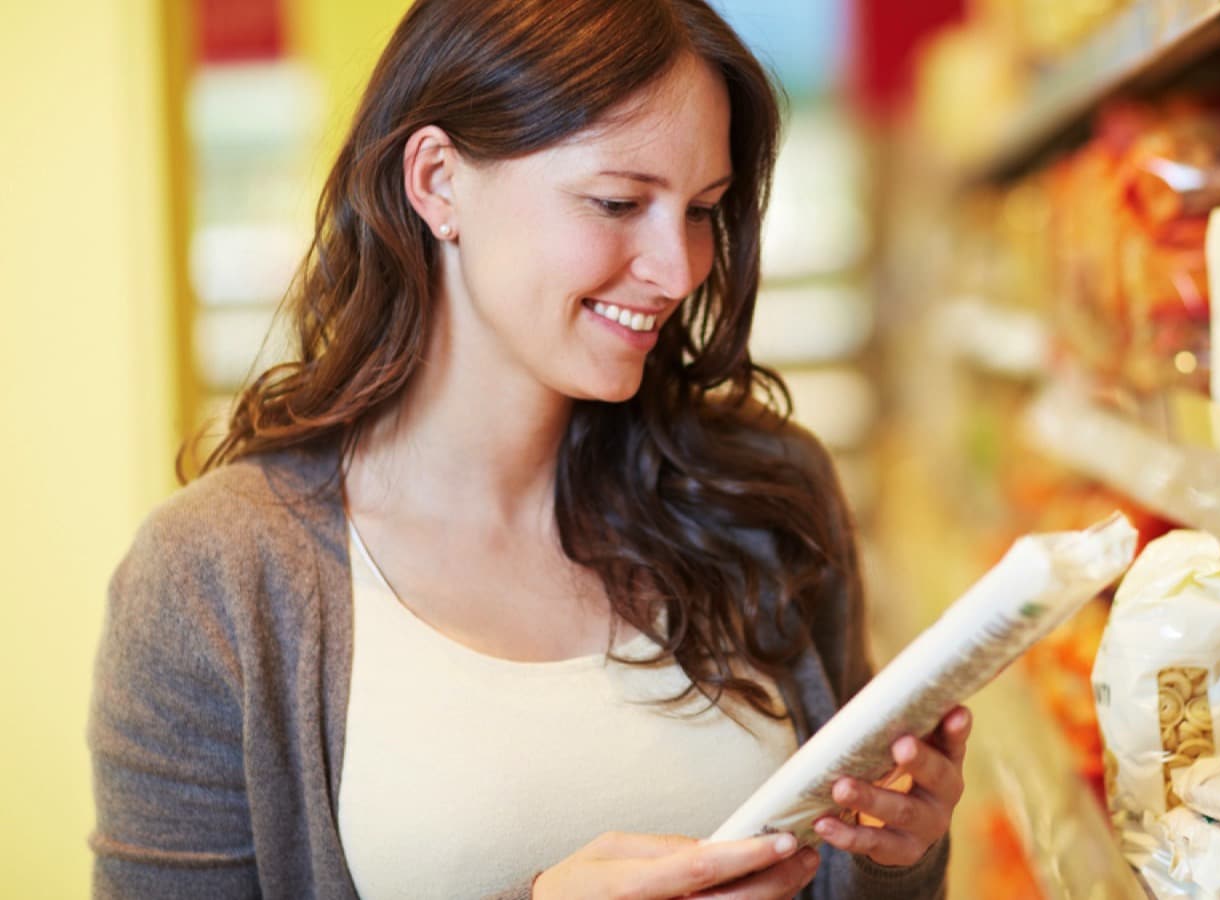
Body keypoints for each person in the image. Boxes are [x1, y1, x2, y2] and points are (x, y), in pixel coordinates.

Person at [88, 0, 968, 897]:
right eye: (618, 202)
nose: (679, 268)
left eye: (703, 209)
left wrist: (896, 852)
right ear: (436, 181)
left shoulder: (766, 495)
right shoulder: (215, 580)